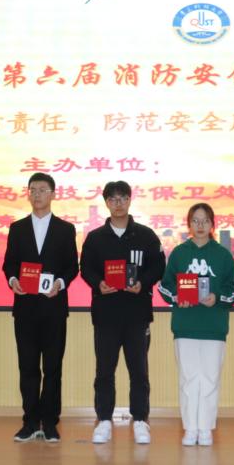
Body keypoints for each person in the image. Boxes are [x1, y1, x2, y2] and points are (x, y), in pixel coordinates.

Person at [79, 181, 165, 445]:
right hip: (106, 315)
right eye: (113, 199)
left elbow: (158, 266)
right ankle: (104, 420)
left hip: (137, 315)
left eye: (123, 198)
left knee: (139, 371)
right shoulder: (95, 238)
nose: (118, 203)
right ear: (106, 202)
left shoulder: (146, 235)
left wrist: (143, 283)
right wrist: (98, 283)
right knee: (104, 371)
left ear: (130, 200)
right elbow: (86, 268)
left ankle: (140, 420)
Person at [2, 172, 79, 443]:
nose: (37, 195)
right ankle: (30, 421)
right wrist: (13, 281)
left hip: (53, 308)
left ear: (53, 194)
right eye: (33, 190)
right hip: (25, 308)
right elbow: (9, 264)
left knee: (53, 368)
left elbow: (72, 267)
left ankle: (50, 422)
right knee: (28, 367)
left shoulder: (65, 229)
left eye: (42, 190)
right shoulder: (17, 228)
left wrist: (60, 283)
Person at [158, 203, 234, 447]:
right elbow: (165, 286)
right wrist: (177, 297)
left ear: (213, 224)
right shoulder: (179, 253)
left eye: (205, 221)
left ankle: (205, 429)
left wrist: (217, 297)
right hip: (186, 326)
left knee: (210, 379)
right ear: (189, 224)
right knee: (189, 379)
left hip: (214, 327)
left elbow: (233, 291)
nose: (200, 225)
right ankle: (190, 428)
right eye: (195, 221)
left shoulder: (223, 255)